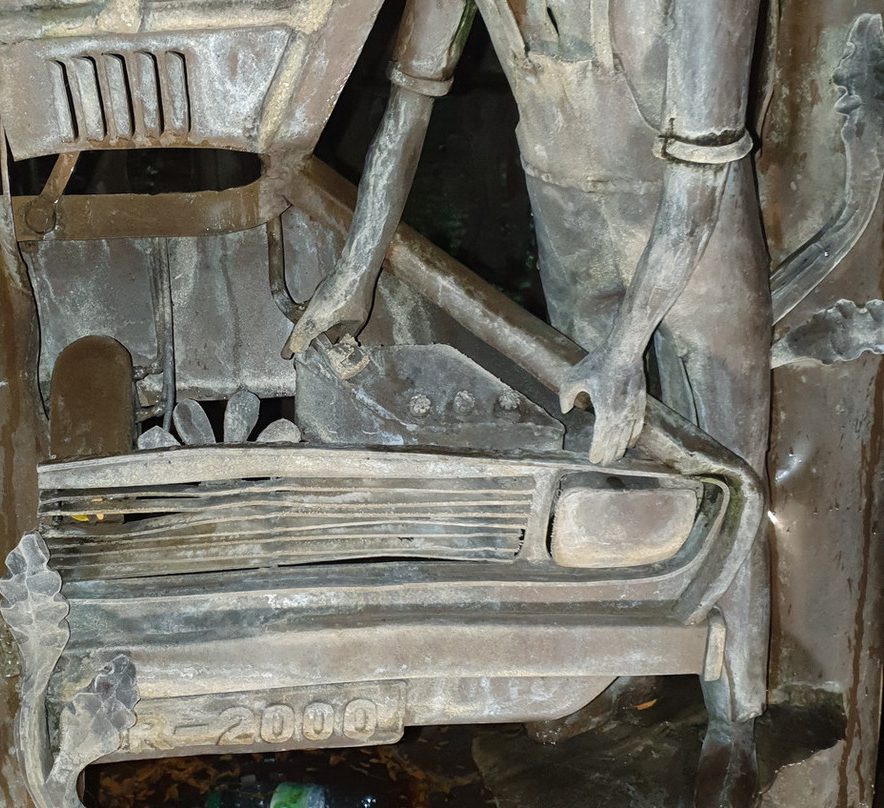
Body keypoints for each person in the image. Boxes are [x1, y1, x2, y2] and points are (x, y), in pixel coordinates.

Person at [285, 1, 771, 804]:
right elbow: (408, 105)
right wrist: (355, 272)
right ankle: (623, 664)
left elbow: (701, 175)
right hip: (570, 213)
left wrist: (625, 350)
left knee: (730, 471)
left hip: (697, 240)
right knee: (603, 468)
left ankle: (735, 722)